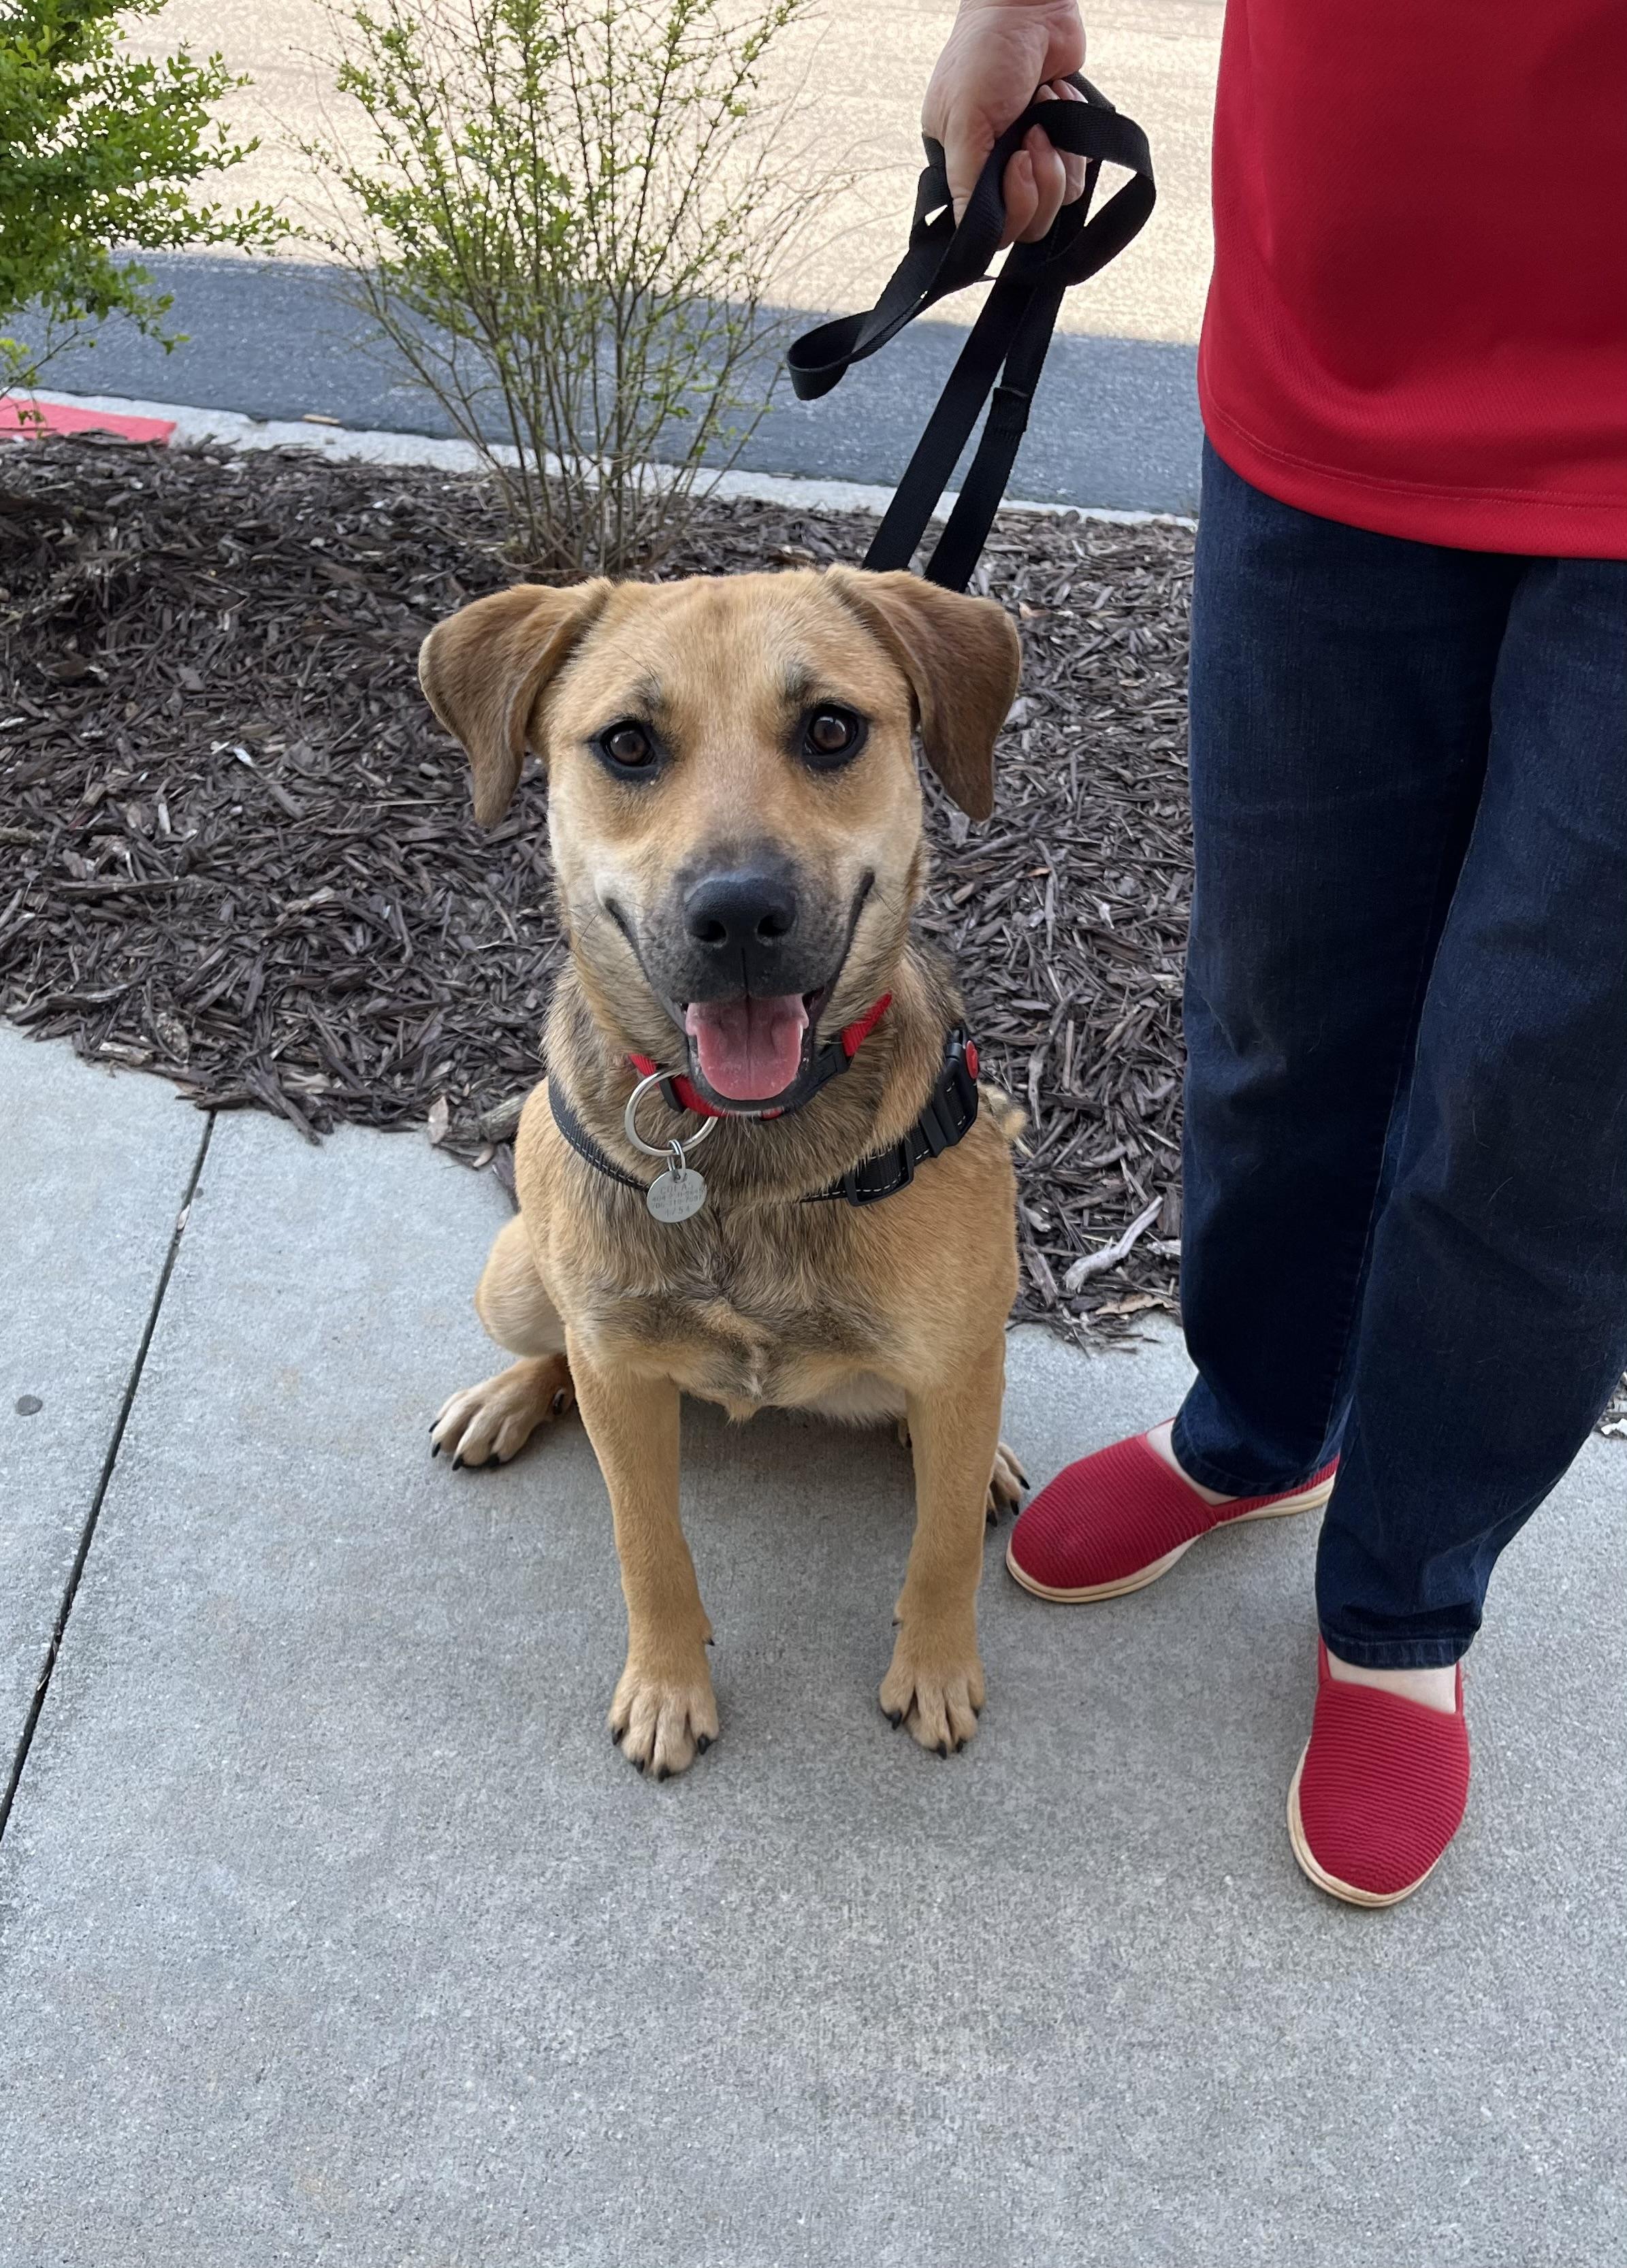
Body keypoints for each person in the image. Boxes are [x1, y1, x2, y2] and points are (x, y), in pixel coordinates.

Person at [922, 0, 1627, 1905]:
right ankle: (1259, 1425)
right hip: (1340, 336)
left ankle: (1404, 1596)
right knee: (1279, 1003)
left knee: (1547, 1101)